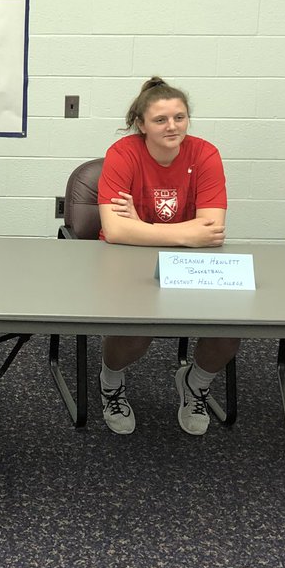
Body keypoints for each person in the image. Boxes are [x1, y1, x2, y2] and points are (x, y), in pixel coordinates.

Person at [95, 76, 236, 437]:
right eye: (160, 120)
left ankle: (195, 383)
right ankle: (110, 382)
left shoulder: (205, 154)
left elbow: (212, 229)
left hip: (185, 261)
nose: (172, 126)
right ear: (141, 124)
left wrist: (142, 225)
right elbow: (115, 231)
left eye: (179, 117)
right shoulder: (123, 154)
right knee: (138, 332)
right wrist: (187, 233)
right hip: (126, 258)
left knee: (229, 330)